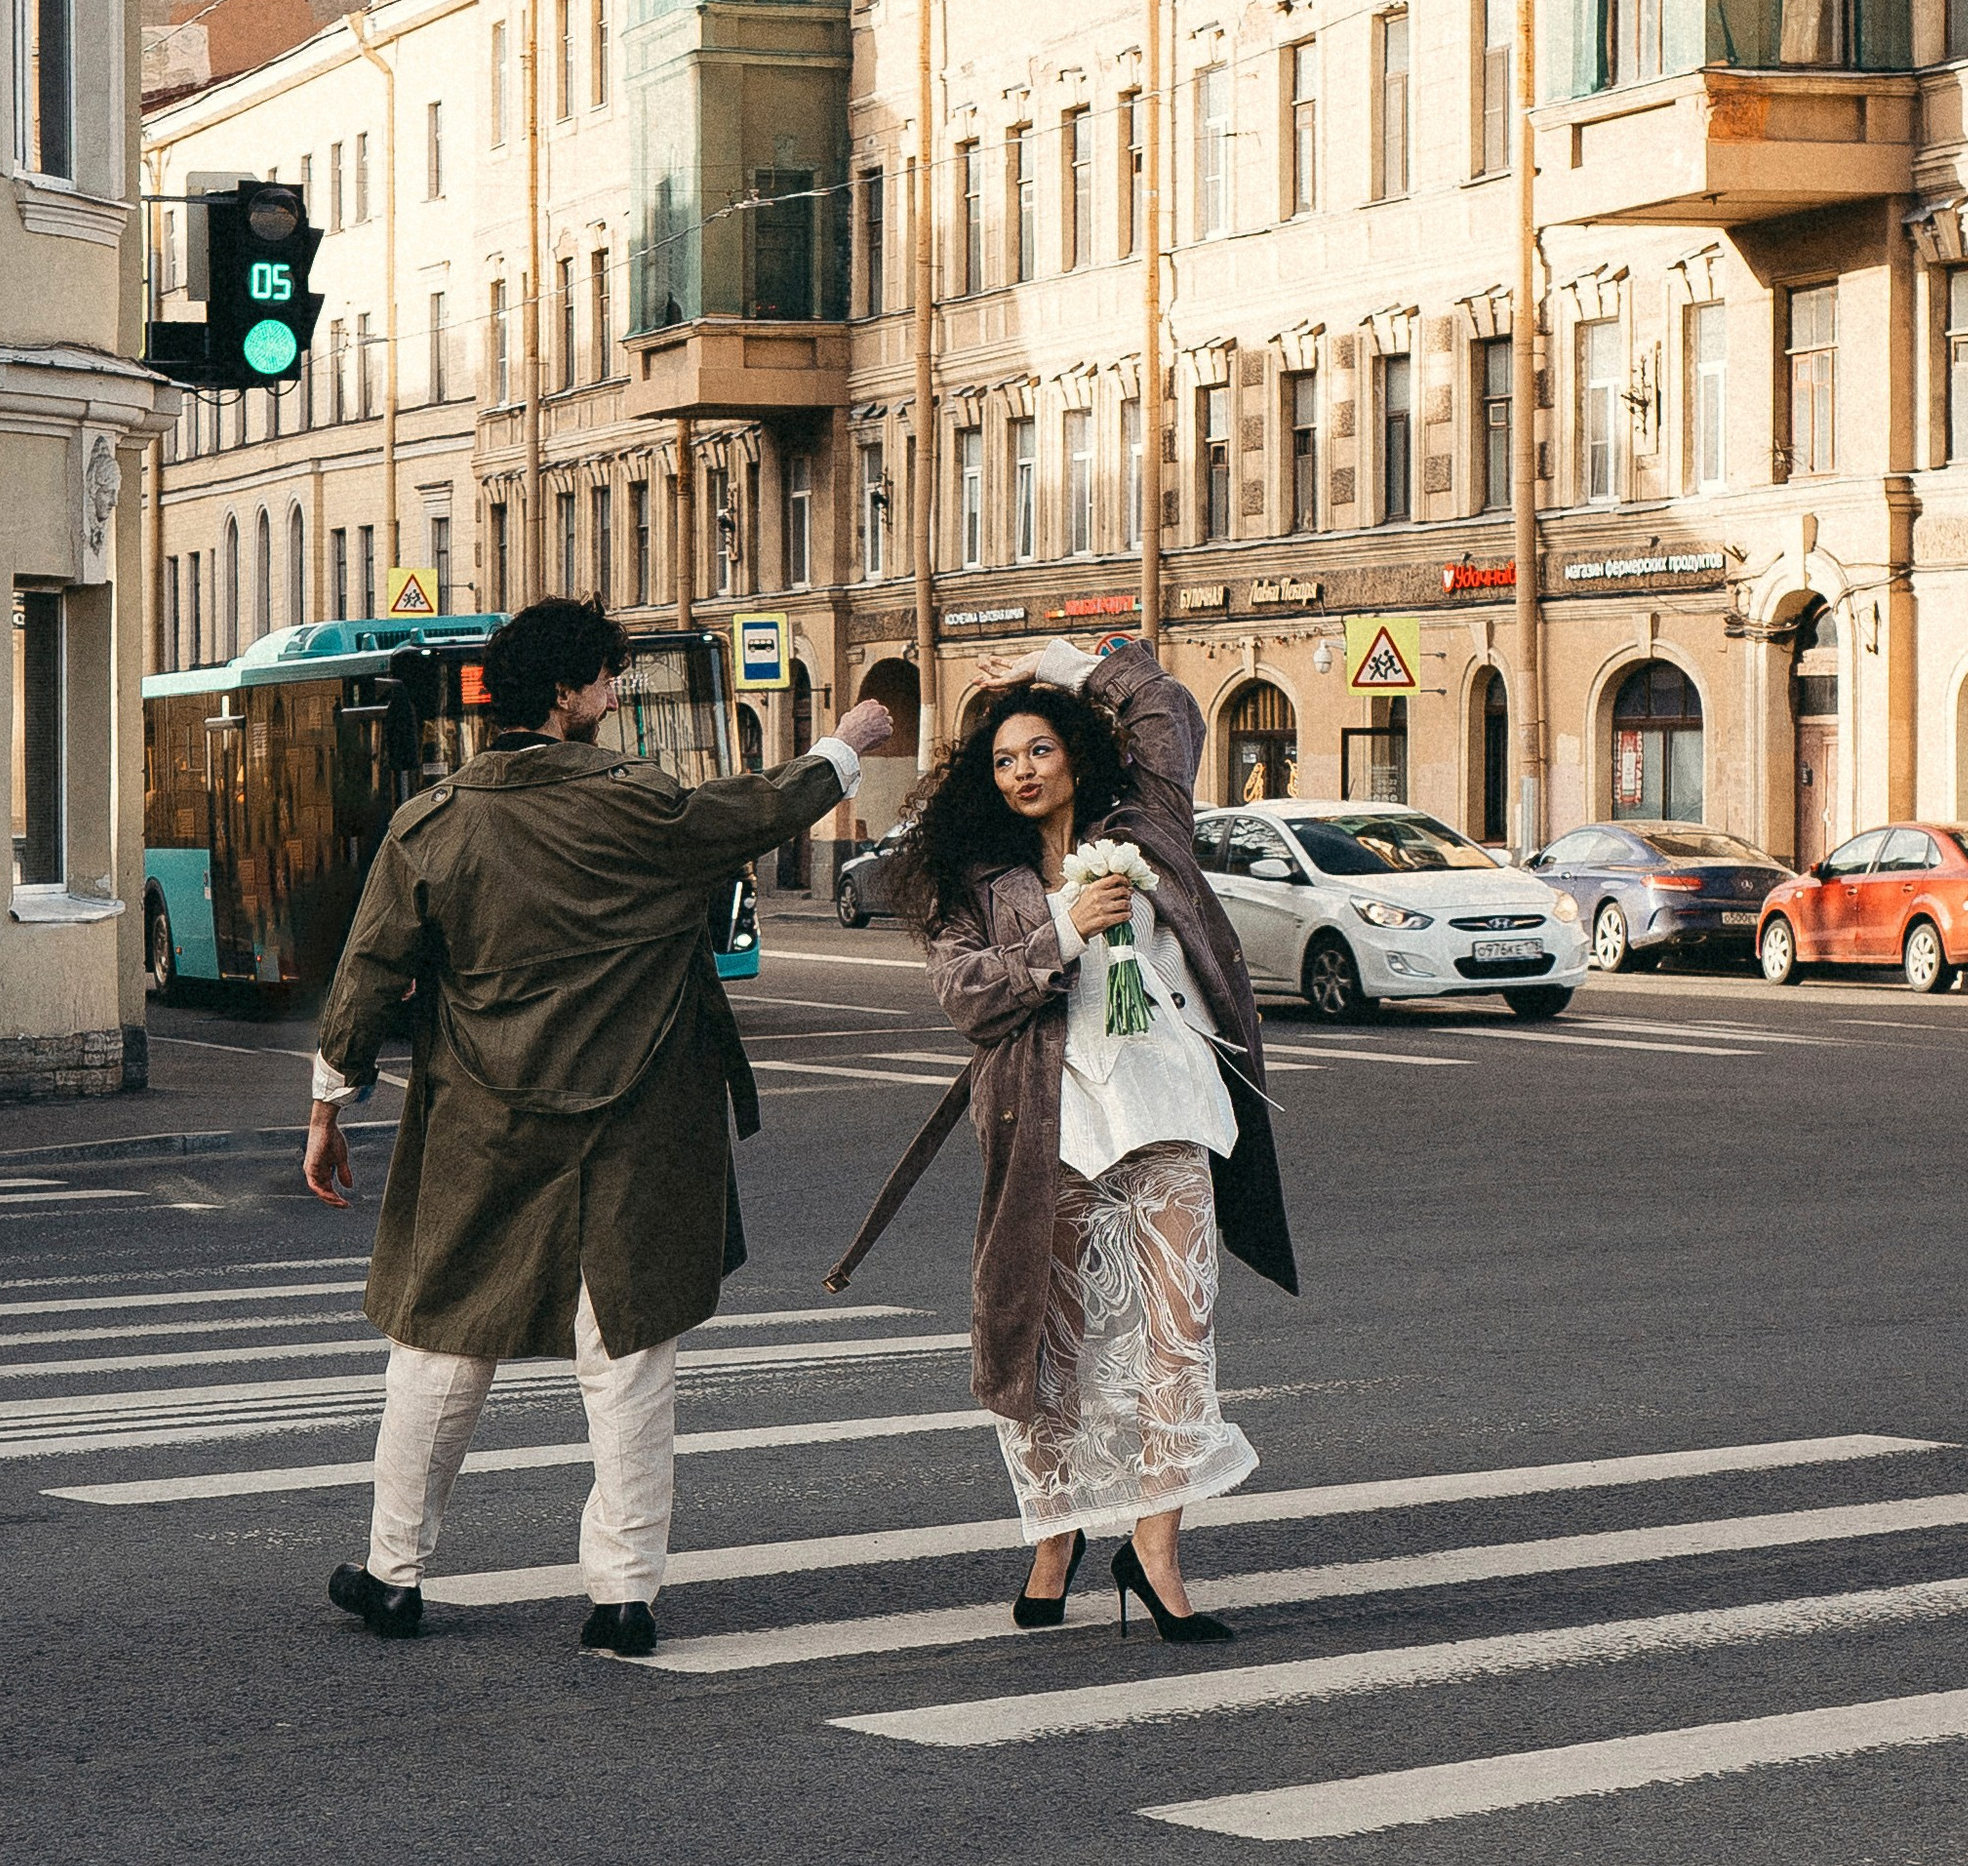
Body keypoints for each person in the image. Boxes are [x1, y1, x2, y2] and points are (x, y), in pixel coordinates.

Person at [304, 597, 893, 1657]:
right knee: (626, 1351)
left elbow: (369, 971)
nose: (615, 699)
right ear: (571, 695)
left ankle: (394, 1575)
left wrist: (328, 1103)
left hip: (480, 1120)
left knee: (437, 1344)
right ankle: (622, 1599)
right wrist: (842, 750)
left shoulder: (432, 822)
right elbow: (751, 813)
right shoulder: (640, 805)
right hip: (637, 1118)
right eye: (608, 681)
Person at [891, 634, 1294, 1642]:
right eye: (1001, 759)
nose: (1022, 771)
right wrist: (1064, 928)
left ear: (1071, 748)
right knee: (1047, 1343)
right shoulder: (970, 873)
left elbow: (1165, 704)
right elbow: (968, 998)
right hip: (1051, 1126)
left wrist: (1063, 662)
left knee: (1177, 1337)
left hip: (1166, 1106)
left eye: (1038, 749)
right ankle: (1056, 1533)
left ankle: (1155, 1552)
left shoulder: (1143, 822)